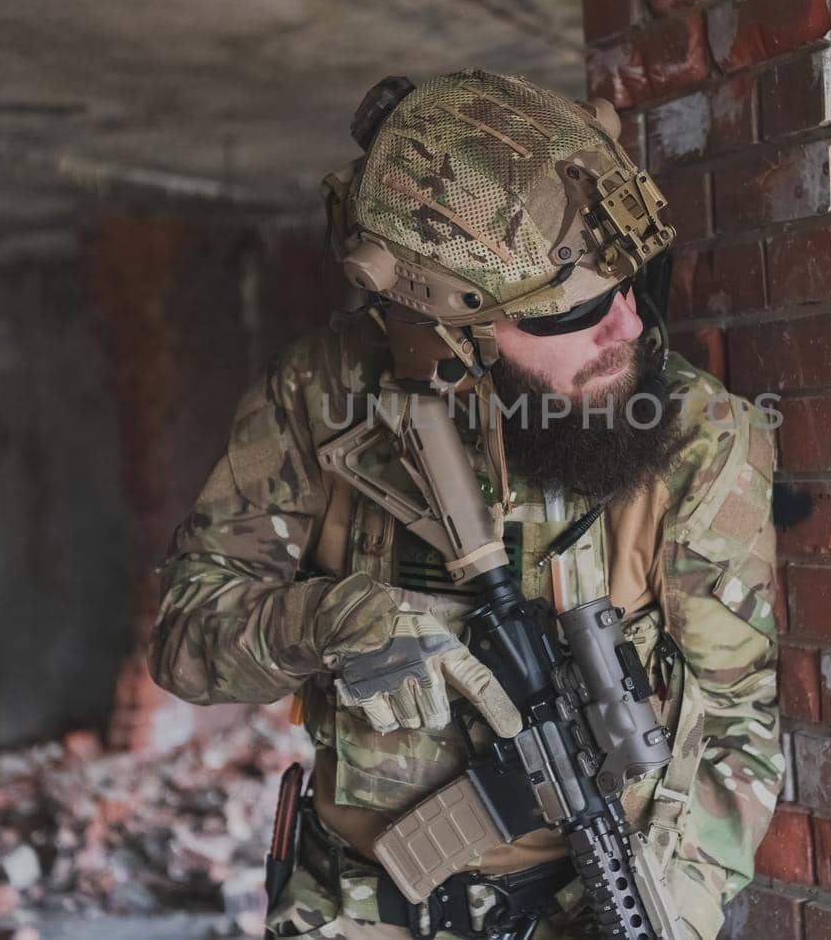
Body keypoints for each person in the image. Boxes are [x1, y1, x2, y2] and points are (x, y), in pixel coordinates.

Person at [149, 69, 782, 939]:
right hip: (362, 908)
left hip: (599, 901)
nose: (627, 329)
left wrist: (672, 912)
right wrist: (332, 620)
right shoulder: (316, 397)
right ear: (454, 334)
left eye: (631, 286)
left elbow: (737, 718)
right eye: (575, 315)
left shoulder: (696, 435)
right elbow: (186, 642)